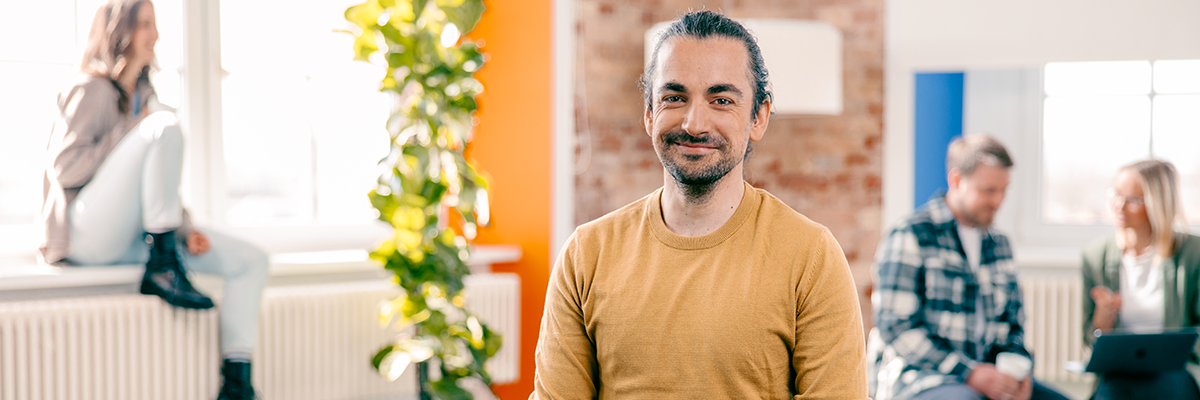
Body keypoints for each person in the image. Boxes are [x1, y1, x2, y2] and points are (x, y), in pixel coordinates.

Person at [530, 10, 867, 399]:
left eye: (721, 100)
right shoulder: (585, 255)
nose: (694, 123)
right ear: (649, 113)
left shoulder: (811, 257)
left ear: (758, 117)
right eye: (674, 98)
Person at [40, 1, 267, 398]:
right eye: (146, 24)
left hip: (135, 235)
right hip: (84, 234)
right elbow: (65, 168)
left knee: (250, 261)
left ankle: (237, 385)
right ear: (119, 30)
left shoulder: (145, 96)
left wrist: (186, 228)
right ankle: (163, 264)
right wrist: (132, 129)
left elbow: (155, 185)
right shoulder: (89, 88)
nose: (156, 35)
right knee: (163, 125)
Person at [869, 134, 1069, 400]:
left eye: (1004, 190)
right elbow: (896, 327)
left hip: (988, 375)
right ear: (956, 181)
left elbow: (1014, 324)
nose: (998, 201)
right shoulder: (910, 235)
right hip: (920, 378)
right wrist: (970, 373)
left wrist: (1019, 373)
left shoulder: (999, 244)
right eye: (988, 190)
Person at [1081, 159, 1200, 400]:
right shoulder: (1095, 257)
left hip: (1175, 371)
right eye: (1116, 194)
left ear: (1158, 204)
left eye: (1133, 200)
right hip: (1118, 374)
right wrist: (1103, 320)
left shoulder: (1193, 254)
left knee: (1168, 388)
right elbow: (1089, 340)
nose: (1119, 206)